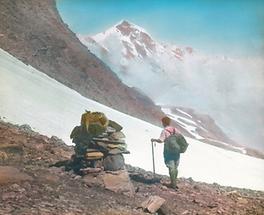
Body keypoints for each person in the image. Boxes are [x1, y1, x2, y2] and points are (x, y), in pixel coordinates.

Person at [151, 116, 181, 189]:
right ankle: (174, 182)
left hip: (168, 151)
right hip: (177, 151)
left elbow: (161, 140)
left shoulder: (165, 131)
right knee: (175, 167)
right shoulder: (175, 130)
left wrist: (154, 140)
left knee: (171, 167)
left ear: (164, 122)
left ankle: (173, 185)